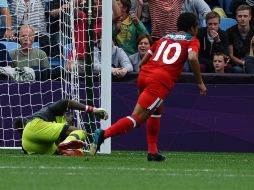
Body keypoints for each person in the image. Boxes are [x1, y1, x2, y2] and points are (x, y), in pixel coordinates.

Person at [90, 12, 207, 161]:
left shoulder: (164, 38)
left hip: (145, 74)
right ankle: (103, 134)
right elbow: (192, 57)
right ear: (193, 28)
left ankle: (152, 151)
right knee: (137, 118)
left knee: (157, 109)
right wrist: (200, 83)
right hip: (159, 81)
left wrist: (145, 74)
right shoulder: (192, 40)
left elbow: (145, 58)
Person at [13, 99, 108, 156]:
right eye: (70, 114)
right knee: (81, 132)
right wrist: (92, 110)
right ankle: (68, 144)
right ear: (64, 113)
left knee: (64, 151)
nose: (72, 118)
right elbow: (65, 102)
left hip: (30, 146)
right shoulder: (53, 111)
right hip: (34, 125)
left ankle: (65, 148)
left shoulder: (55, 129)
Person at [227, 4, 254, 73]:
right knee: (237, 70)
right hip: (237, 64)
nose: (242, 18)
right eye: (240, 16)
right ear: (236, 17)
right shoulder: (229, 32)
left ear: (250, 17)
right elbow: (231, 55)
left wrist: (249, 64)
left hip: (252, 62)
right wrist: (243, 63)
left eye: (245, 16)